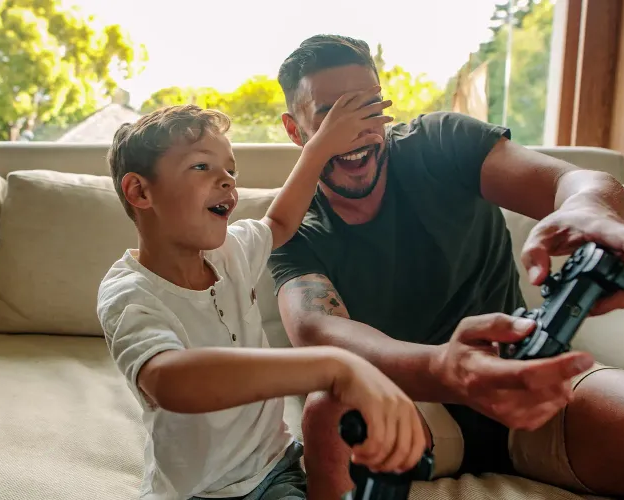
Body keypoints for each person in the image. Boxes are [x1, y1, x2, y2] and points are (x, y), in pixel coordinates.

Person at [267, 34, 624, 500]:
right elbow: (319, 333)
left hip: (527, 380)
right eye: (333, 115)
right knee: (329, 410)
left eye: (369, 108)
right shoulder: (290, 227)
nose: (358, 131)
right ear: (296, 131)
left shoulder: (439, 143)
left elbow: (575, 183)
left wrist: (592, 208)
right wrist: (446, 368)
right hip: (411, 404)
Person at [96, 103, 432, 500]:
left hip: (273, 470)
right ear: (140, 190)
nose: (227, 181)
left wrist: (320, 147)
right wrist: (331, 365)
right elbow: (169, 381)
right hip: (193, 492)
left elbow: (280, 222)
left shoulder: (232, 253)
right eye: (202, 167)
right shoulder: (129, 293)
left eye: (231, 170)